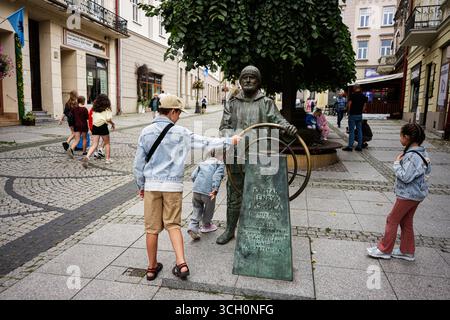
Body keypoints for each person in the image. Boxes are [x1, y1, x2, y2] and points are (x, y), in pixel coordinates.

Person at [133, 94, 241, 281]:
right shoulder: (180, 132)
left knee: (151, 229)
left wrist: (141, 185)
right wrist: (229, 141)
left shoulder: (145, 132)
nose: (179, 117)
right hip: (172, 186)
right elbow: (206, 142)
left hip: (152, 186)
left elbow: (138, 165)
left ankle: (151, 268)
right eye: (178, 113)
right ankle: (181, 264)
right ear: (172, 111)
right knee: (173, 225)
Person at [217, 65, 298, 245]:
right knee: (233, 195)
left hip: (261, 156)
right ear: (240, 80)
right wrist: (229, 137)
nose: (247, 80)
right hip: (236, 156)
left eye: (252, 77)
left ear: (258, 81)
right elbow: (223, 128)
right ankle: (230, 229)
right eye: (244, 77)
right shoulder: (232, 103)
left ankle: (260, 229)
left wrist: (288, 127)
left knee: (262, 195)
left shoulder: (266, 102)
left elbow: (278, 120)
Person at [367, 123, 431, 261]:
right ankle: (407, 251)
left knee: (392, 219)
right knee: (406, 221)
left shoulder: (412, 156)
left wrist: (396, 163)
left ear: (407, 137)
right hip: (416, 194)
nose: (400, 138)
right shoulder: (422, 152)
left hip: (408, 194)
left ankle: (384, 249)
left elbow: (406, 176)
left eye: (401, 136)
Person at [187, 148, 225, 240]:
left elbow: (193, 175)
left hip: (196, 190)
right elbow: (217, 176)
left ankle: (193, 227)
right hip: (208, 192)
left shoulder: (203, 162)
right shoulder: (220, 164)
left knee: (197, 208)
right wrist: (215, 189)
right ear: (221, 156)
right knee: (209, 209)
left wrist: (197, 185)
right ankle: (206, 225)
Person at [82, 94, 116, 168]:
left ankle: (87, 157)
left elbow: (92, 117)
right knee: (107, 143)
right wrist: (112, 124)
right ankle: (107, 159)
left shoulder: (94, 109)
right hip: (103, 126)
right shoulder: (107, 109)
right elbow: (108, 119)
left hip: (95, 127)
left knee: (94, 144)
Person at [342, 84, 367, 152]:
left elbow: (349, 104)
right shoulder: (363, 96)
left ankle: (350, 146)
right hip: (359, 115)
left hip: (353, 115)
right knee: (359, 130)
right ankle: (359, 146)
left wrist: (349, 112)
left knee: (352, 131)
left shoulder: (352, 96)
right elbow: (364, 107)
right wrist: (360, 111)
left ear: (355, 88)